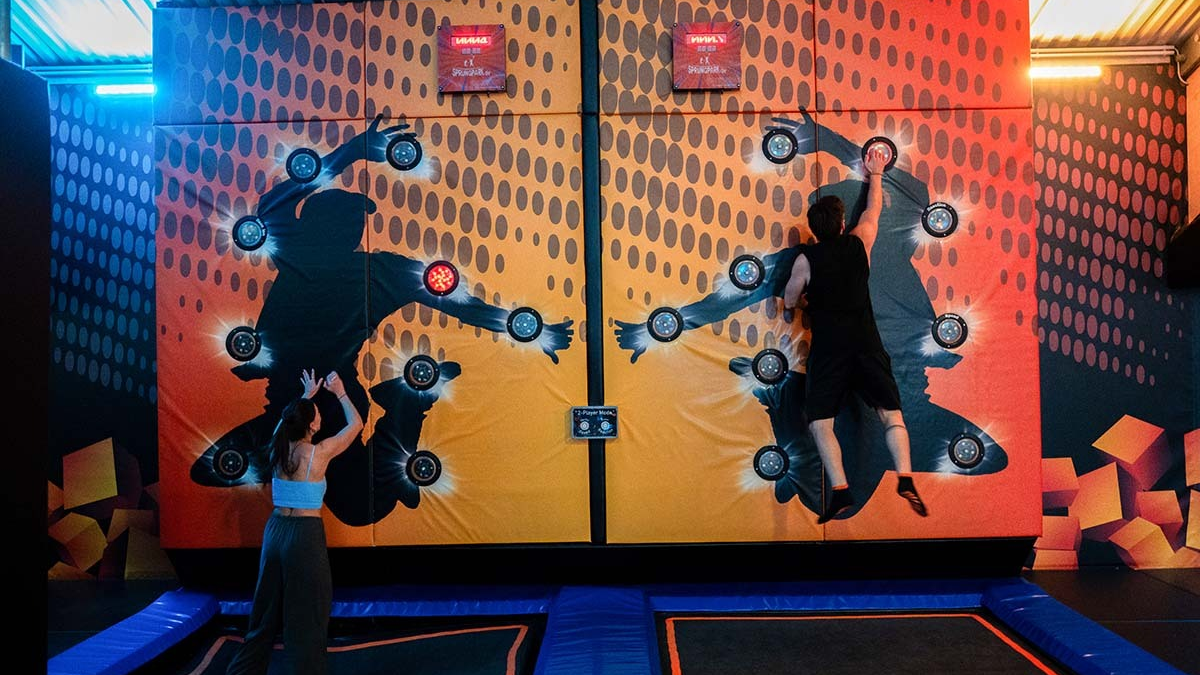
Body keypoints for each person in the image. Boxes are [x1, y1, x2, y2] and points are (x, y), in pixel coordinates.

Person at [782, 146, 928, 524]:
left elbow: (790, 298)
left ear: (815, 230)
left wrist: (800, 304)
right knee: (892, 416)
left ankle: (841, 488)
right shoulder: (859, 241)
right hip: (866, 345)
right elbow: (873, 209)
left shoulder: (806, 259)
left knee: (820, 424)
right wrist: (875, 174)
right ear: (842, 222)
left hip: (829, 351)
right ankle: (906, 477)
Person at [226, 369, 363, 675]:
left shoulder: (278, 445)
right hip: (304, 535)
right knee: (308, 613)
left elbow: (284, 423)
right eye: (317, 415)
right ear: (312, 424)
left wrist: (306, 396)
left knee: (264, 611)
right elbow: (356, 425)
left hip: (275, 533)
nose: (320, 417)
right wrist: (340, 392)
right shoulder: (318, 453)